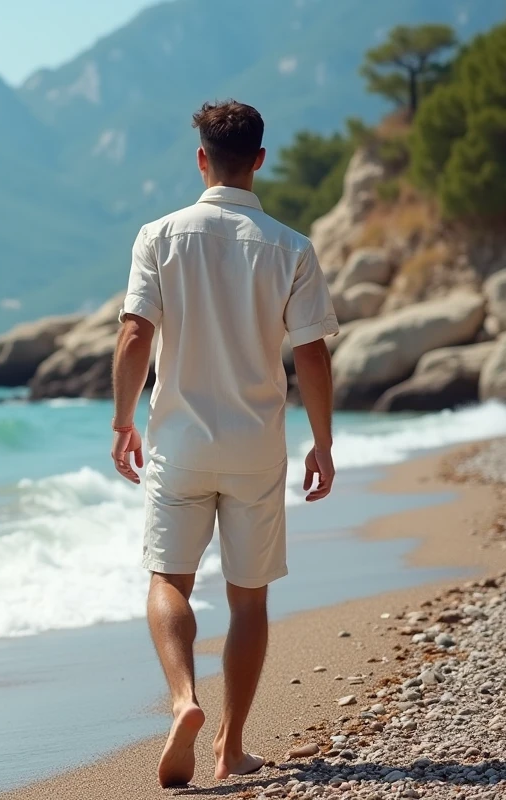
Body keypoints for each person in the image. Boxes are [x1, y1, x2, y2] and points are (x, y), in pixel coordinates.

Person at [109, 99, 338, 787]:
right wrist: (322, 442)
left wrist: (122, 420)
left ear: (201, 158)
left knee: (167, 580)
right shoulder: (290, 246)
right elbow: (314, 357)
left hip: (178, 441)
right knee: (249, 599)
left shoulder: (159, 236)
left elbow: (134, 334)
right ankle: (230, 747)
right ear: (260, 160)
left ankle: (184, 701)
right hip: (255, 446)